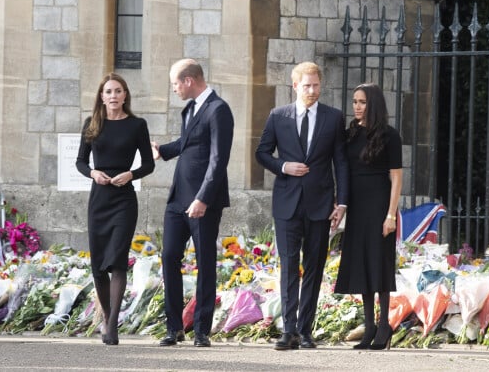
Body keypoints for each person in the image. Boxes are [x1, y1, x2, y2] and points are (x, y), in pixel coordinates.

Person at [255, 61, 348, 350]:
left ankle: (306, 330)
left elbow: (341, 163)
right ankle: (289, 330)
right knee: (288, 266)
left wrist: (342, 203)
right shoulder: (277, 116)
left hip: (321, 204)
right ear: (295, 86)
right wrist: (283, 166)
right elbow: (262, 153)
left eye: (316, 85)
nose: (312, 90)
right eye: (306, 85)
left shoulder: (333, 118)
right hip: (287, 204)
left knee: (314, 267)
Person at [151, 58, 234, 348]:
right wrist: (162, 150)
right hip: (178, 199)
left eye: (175, 83)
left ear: (188, 81)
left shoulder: (219, 110)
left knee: (205, 263)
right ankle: (174, 328)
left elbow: (217, 160)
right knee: (169, 257)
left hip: (202, 201)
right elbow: (189, 144)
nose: (174, 89)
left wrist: (203, 198)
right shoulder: (190, 109)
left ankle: (201, 330)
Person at [76, 73, 155, 345]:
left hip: (124, 199)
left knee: (117, 261)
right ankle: (109, 318)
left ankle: (111, 326)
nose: (113, 96)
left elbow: (148, 164)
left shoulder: (137, 125)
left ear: (125, 96)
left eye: (118, 91)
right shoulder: (92, 123)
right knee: (98, 265)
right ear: (102, 96)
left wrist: (131, 175)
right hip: (99, 198)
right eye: (108, 91)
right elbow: (80, 162)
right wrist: (93, 173)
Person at [334, 83, 402, 350]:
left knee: (379, 262)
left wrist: (391, 215)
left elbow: (396, 177)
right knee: (362, 262)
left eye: (362, 102)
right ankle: (369, 325)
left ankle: (384, 325)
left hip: (379, 204)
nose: (356, 106)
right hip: (357, 206)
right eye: (354, 102)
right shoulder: (350, 133)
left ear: (373, 104)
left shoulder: (389, 135)